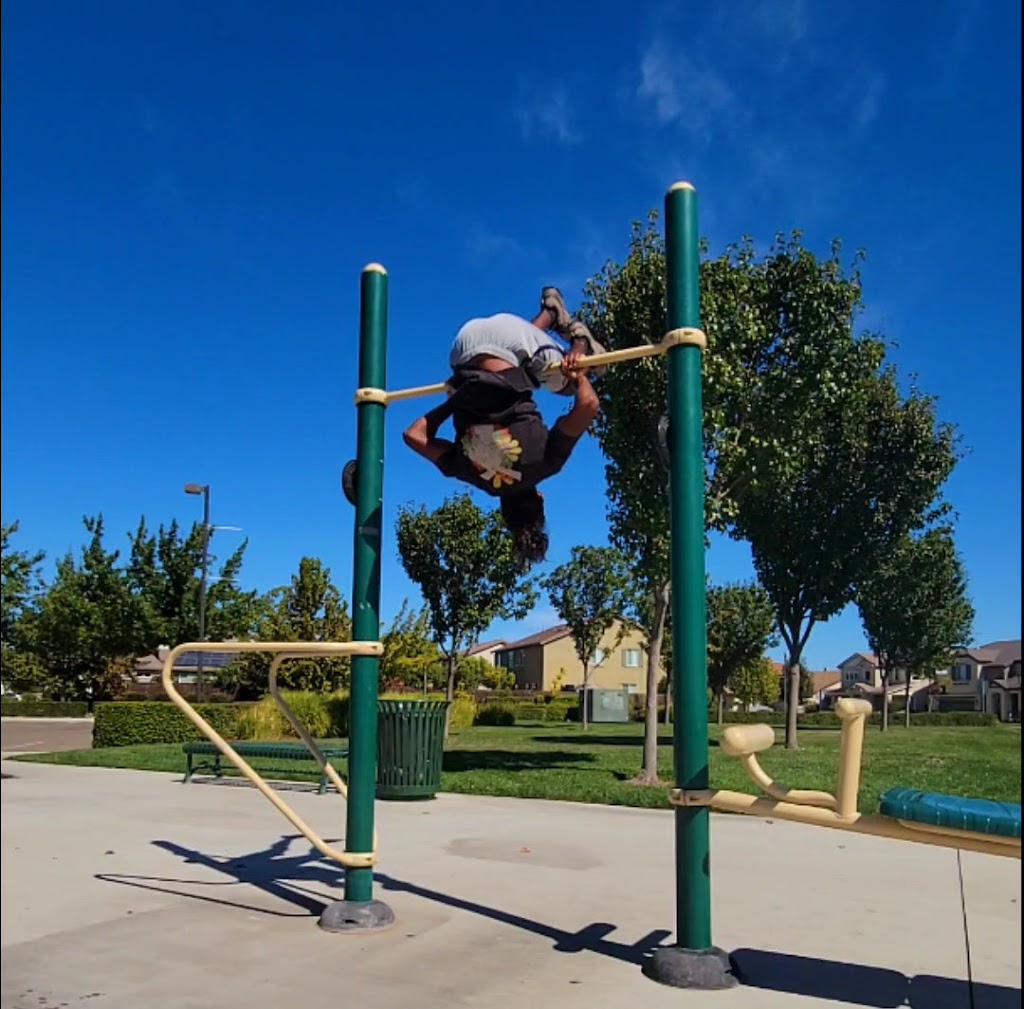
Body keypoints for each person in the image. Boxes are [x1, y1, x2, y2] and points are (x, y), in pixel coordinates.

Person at [402, 288, 606, 566]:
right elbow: (414, 435)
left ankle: (580, 342)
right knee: (532, 368)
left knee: (572, 382)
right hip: (461, 349)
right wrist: (457, 398)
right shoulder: (473, 475)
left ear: (540, 499)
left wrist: (579, 374)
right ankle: (549, 314)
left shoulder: (547, 463)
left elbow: (588, 405)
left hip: (507, 338)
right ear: (503, 508)